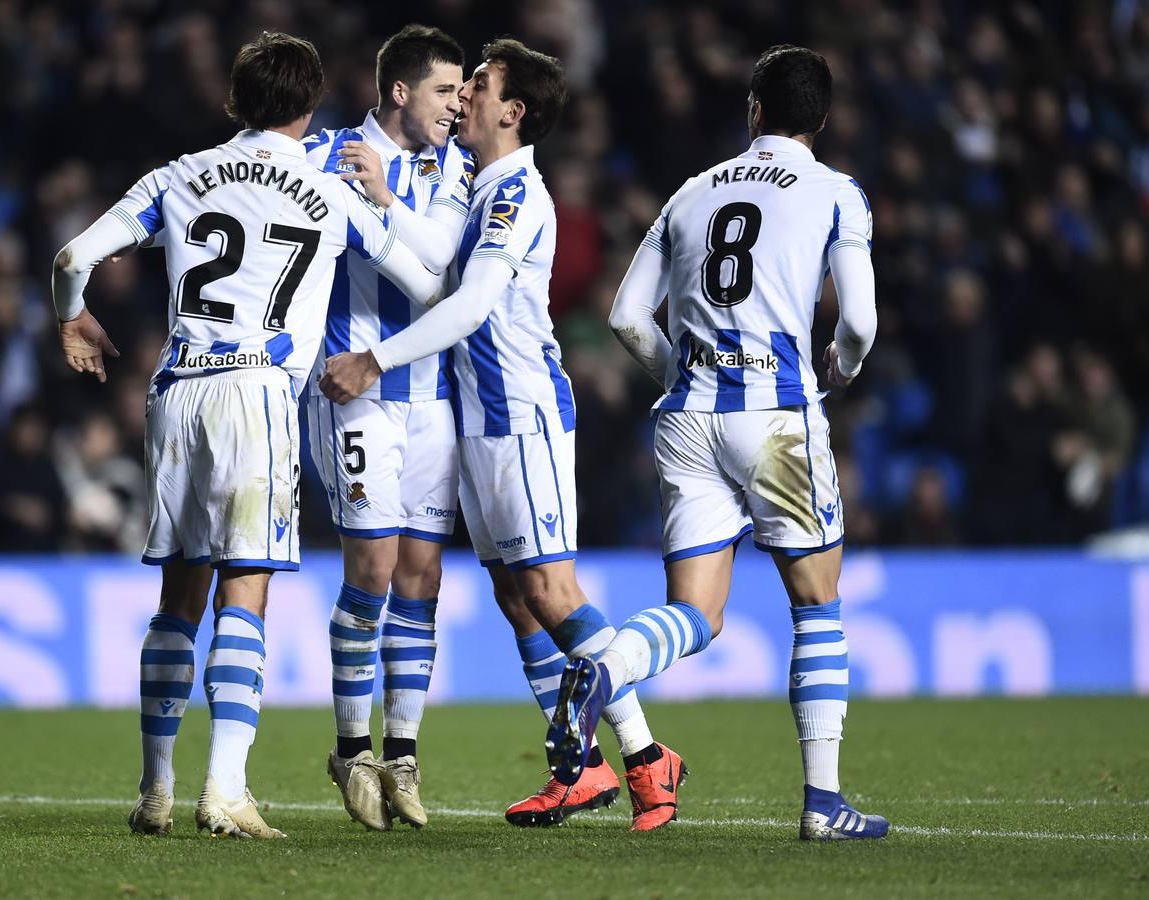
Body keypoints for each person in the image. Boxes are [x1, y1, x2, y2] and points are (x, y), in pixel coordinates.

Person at [52, 31, 442, 839]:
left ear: (235, 100)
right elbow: (429, 283)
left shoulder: (179, 175)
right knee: (246, 588)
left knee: (178, 598)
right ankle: (224, 787)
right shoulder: (329, 187)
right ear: (311, 107)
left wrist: (73, 319)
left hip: (177, 391)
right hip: (258, 394)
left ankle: (154, 788)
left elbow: (71, 256)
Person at [317, 38, 679, 832]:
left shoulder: (518, 193)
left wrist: (374, 357)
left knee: (552, 590)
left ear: (510, 112)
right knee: (518, 600)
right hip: (477, 418)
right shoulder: (479, 185)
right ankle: (578, 775)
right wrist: (385, 200)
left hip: (521, 417)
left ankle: (649, 757)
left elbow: (469, 303)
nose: (463, 97)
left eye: (476, 85)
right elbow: (439, 259)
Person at [546, 44, 890, 840]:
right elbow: (861, 321)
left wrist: (684, 378)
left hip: (690, 415)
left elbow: (630, 317)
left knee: (695, 613)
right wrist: (839, 365)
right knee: (818, 605)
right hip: (776, 416)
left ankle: (605, 671)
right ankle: (823, 803)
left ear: (754, 111)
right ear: (825, 119)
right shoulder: (836, 192)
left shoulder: (692, 192)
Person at [299, 23, 474, 832]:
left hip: (429, 394)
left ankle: (402, 756)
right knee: (370, 568)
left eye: (463, 88)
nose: (459, 102)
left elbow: (443, 277)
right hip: (351, 388)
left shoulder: (459, 170)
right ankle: (350, 747)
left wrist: (386, 200)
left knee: (421, 578)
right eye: (445, 89)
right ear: (399, 91)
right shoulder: (326, 155)